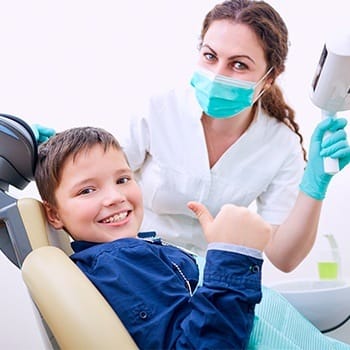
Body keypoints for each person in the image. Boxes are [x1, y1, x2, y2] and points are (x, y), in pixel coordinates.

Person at [116, 0, 350, 272]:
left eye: (238, 65)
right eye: (210, 56)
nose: (217, 75)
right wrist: (58, 155)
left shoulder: (280, 144)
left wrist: (315, 186)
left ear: (270, 77)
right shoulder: (157, 110)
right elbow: (99, 179)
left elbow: (284, 257)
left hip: (206, 279)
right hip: (133, 262)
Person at [34, 126, 272, 350]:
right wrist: (233, 257)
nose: (115, 197)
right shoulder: (120, 262)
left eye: (122, 180)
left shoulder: (123, 255)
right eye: (87, 190)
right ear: (54, 214)